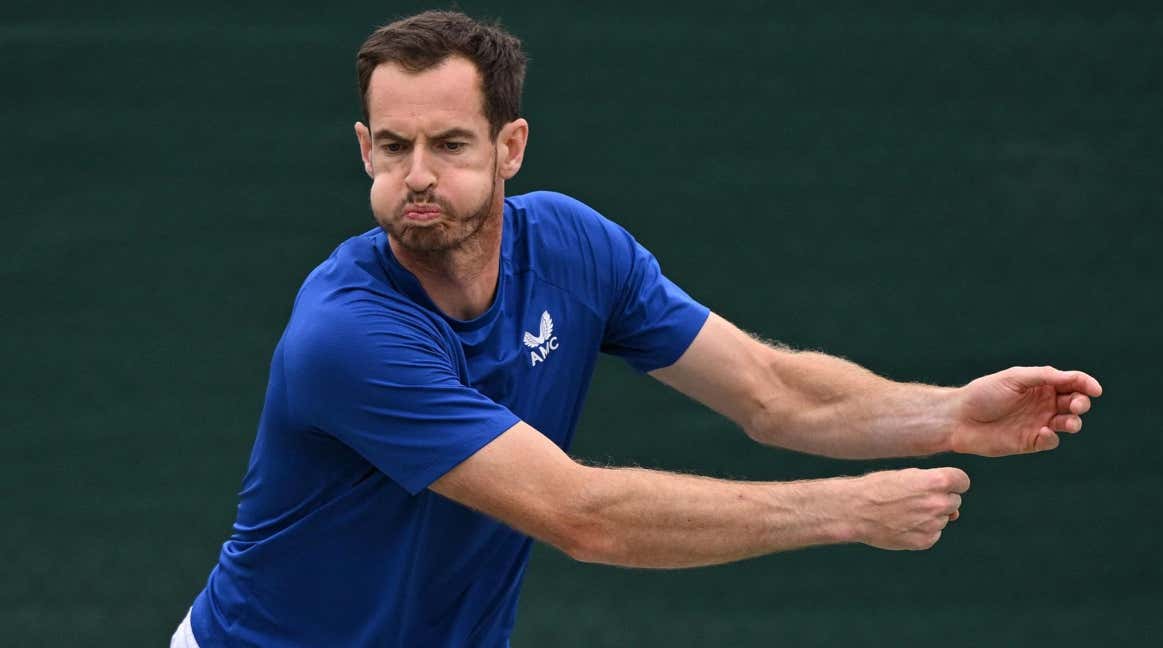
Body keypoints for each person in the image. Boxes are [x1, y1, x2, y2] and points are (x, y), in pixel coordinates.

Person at [172, 10, 1103, 647]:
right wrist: (847, 511)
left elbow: (771, 393)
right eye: (393, 146)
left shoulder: (575, 247)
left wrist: (944, 415)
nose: (417, 173)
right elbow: (583, 516)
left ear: (509, 148)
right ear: (365, 149)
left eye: (449, 144)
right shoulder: (348, 336)